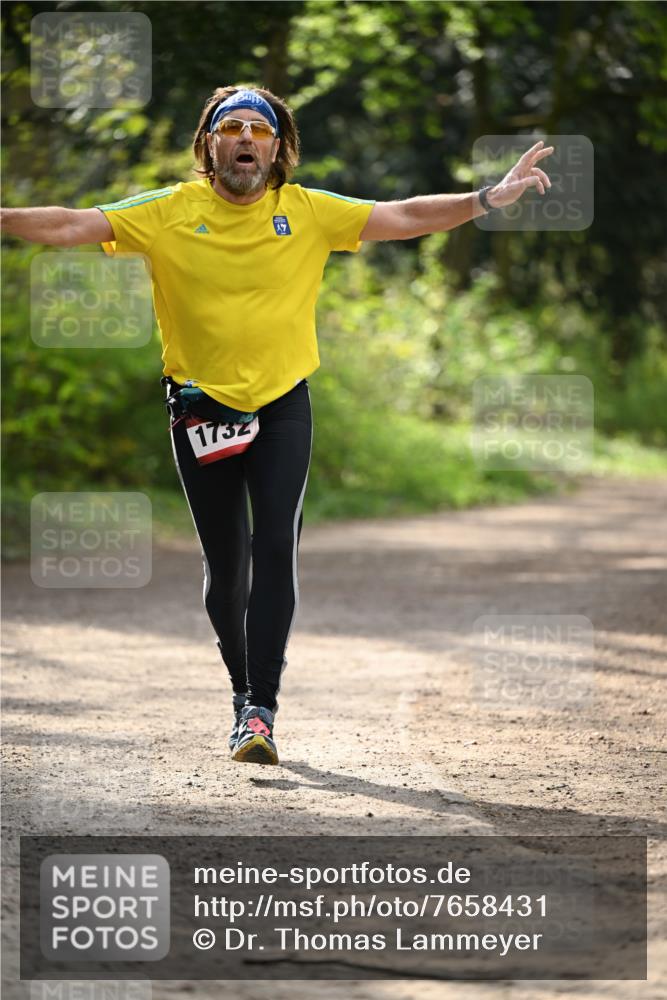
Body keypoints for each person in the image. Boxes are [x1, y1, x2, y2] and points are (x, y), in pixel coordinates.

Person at [1, 85, 553, 766]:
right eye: (230, 128)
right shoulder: (167, 211)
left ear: (277, 148)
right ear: (209, 145)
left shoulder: (309, 211)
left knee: (274, 548)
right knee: (226, 568)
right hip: (200, 408)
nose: (244, 138)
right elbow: (68, 225)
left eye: (258, 130)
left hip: (282, 404)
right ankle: (242, 689)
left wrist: (487, 199)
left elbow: (405, 214)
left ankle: (258, 708)